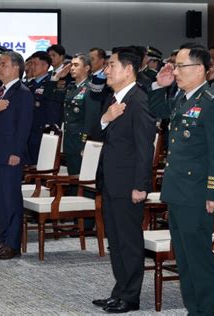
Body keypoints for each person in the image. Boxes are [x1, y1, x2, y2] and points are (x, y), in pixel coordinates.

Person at [149, 44, 214, 315]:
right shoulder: (183, 98)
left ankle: (206, 312)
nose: (175, 71)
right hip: (178, 191)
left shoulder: (212, 103)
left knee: (198, 259)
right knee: (183, 259)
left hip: (197, 194)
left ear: (199, 70)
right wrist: (160, 86)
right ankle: (193, 309)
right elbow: (157, 111)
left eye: (180, 66)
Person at [92, 47, 155, 313]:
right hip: (112, 182)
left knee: (128, 242)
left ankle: (130, 297)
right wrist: (105, 118)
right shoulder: (114, 98)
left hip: (129, 185)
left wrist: (140, 186)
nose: (106, 70)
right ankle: (120, 290)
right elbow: (97, 134)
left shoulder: (138, 100)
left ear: (128, 70)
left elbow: (145, 148)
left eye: (112, 65)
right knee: (115, 242)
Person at [0, 51, 33, 260]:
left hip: (11, 154)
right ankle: (3, 242)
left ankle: (12, 245)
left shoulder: (23, 92)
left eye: (3, 65)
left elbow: (24, 126)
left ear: (16, 68)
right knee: (1, 201)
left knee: (11, 200)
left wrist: (16, 152)